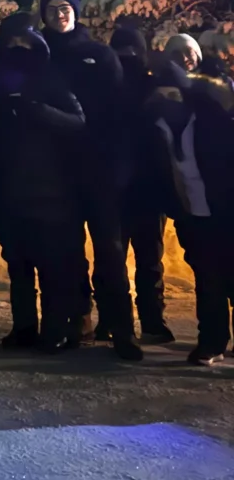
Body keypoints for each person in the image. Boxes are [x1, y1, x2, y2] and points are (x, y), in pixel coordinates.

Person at [39, 0, 142, 360]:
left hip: (100, 172)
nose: (60, 14)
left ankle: (121, 329)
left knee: (110, 253)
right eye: (53, 9)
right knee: (67, 255)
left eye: (66, 7)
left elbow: (122, 114)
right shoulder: (40, 57)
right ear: (44, 15)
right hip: (59, 174)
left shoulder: (100, 55)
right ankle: (75, 322)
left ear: (76, 12)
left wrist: (119, 167)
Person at [0, 15, 86, 352]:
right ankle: (23, 328)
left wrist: (39, 111)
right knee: (19, 266)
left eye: (24, 43)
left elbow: (77, 122)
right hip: (9, 193)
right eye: (12, 44)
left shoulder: (50, 79)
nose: (19, 49)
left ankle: (54, 329)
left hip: (50, 193)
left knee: (52, 266)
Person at [144, 58, 234, 365]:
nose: (168, 102)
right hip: (193, 216)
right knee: (208, 282)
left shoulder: (213, 122)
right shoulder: (156, 127)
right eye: (162, 95)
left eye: (174, 95)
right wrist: (176, 210)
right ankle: (211, 342)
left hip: (226, 211)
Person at [110, 26, 173, 343]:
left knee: (143, 260)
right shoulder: (110, 89)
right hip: (127, 189)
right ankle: (137, 320)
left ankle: (145, 320)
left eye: (132, 51)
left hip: (140, 188)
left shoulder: (150, 88)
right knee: (130, 260)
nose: (128, 57)